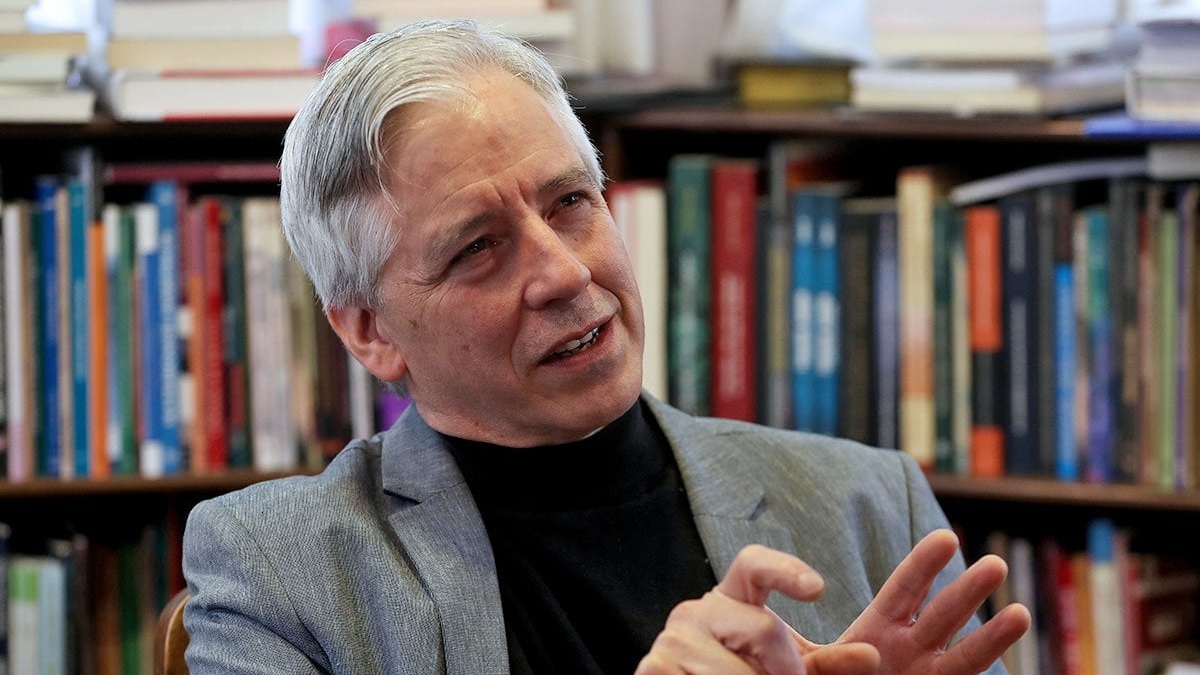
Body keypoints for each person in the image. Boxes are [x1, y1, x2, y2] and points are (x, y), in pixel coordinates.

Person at [181, 18, 1030, 675]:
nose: (563, 271)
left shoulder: (870, 503)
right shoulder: (279, 568)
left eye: (570, 202)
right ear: (371, 330)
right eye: (478, 246)